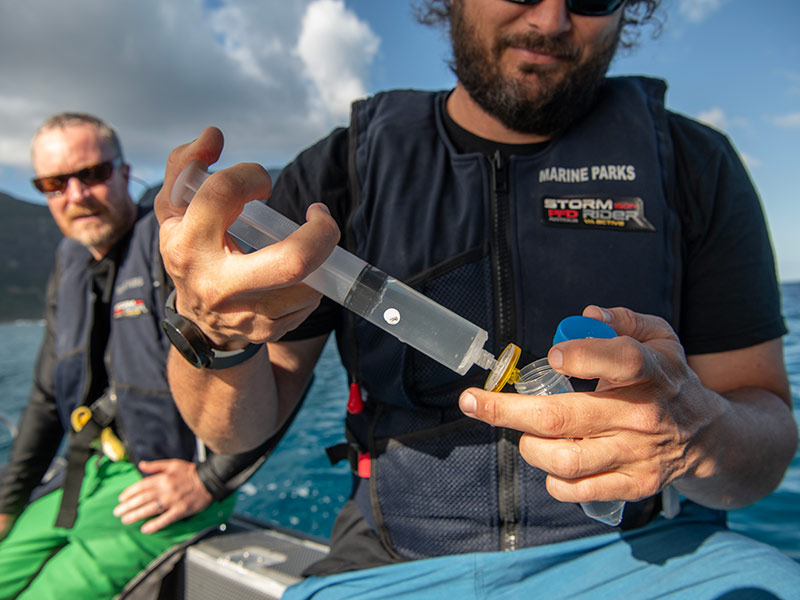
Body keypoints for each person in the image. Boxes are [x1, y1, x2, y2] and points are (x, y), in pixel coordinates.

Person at [154, 0, 800, 597]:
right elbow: (232, 429)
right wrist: (212, 330)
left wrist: (694, 433)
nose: (550, 19)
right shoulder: (345, 170)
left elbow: (762, 452)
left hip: (643, 551)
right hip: (394, 558)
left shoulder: (690, 163)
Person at [0, 113, 273, 599]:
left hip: (167, 484)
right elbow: (46, 397)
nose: (76, 194)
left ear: (124, 173)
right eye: (55, 183)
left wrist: (210, 480)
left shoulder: (173, 247)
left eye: (93, 174)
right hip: (84, 474)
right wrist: (8, 504)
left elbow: (271, 364)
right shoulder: (68, 265)